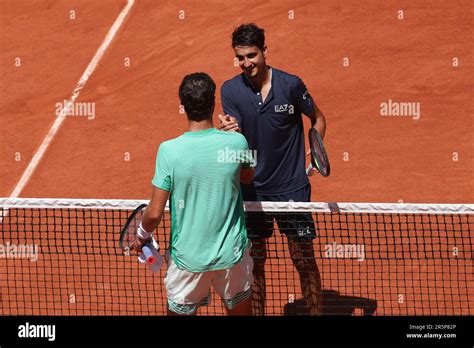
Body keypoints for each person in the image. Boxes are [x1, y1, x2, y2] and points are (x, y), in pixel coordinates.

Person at [218, 24, 327, 315]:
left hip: (291, 189)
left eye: (251, 55)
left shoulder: (290, 85)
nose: (246, 63)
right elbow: (236, 135)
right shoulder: (230, 90)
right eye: (240, 57)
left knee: (303, 261)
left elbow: (318, 118)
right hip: (252, 190)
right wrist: (228, 132)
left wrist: (315, 148)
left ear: (265, 51)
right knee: (255, 264)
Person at [132, 72, 255, 316]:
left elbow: (154, 213)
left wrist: (142, 234)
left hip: (188, 260)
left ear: (183, 106)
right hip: (232, 255)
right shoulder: (237, 142)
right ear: (212, 103)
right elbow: (248, 176)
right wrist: (230, 137)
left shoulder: (169, 150)